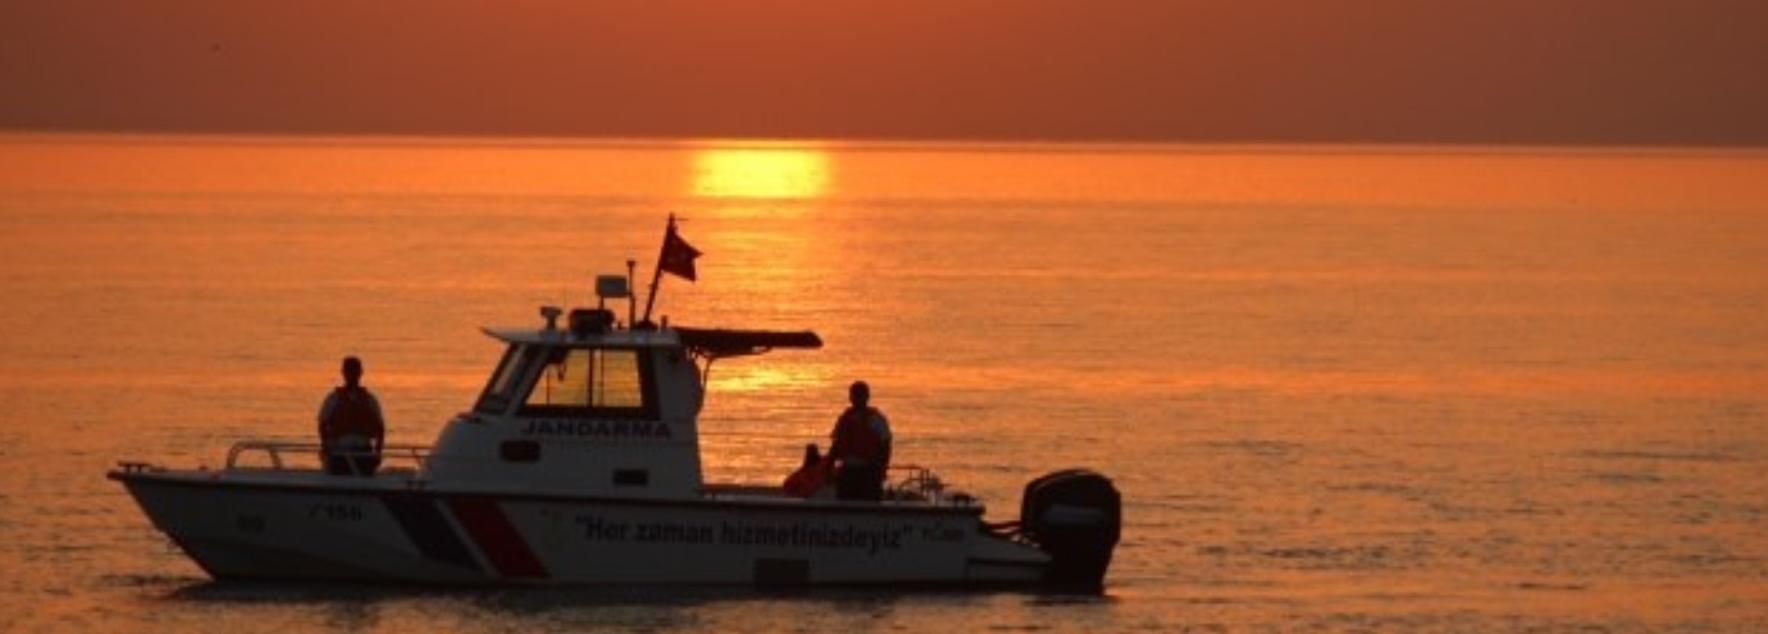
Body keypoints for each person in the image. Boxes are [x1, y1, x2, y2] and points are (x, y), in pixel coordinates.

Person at [317, 356, 385, 476]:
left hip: (363, 453)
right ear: (343, 373)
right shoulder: (334, 399)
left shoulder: (370, 400)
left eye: (355, 371)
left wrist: (377, 451)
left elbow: (380, 428)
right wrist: (325, 447)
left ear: (360, 373)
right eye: (349, 371)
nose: (352, 375)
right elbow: (322, 424)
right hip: (339, 452)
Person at [827, 380, 892, 501]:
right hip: (848, 471)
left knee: (870, 502)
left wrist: (882, 469)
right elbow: (836, 446)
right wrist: (828, 467)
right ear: (850, 397)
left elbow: (886, 446)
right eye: (854, 395)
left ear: (867, 397)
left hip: (868, 472)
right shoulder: (844, 418)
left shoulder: (876, 419)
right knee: (843, 501)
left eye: (860, 395)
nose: (856, 399)